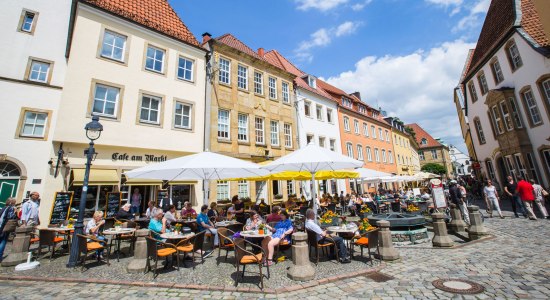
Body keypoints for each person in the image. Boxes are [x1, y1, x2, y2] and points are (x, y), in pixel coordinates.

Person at [0, 198, 18, 262]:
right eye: (14, 202)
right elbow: (11, 217)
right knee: (3, 241)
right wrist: (15, 212)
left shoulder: (3, 208)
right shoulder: (11, 208)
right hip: (5, 227)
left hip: (1, 226)